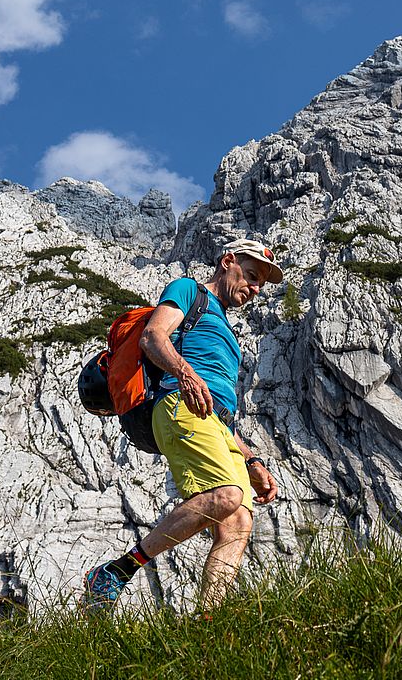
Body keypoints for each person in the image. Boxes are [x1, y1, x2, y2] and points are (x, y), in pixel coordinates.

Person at [83, 238, 283, 612]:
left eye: (260, 285)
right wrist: (185, 373)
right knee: (226, 496)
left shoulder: (226, 330)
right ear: (228, 262)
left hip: (215, 422)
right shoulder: (189, 290)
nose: (255, 289)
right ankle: (116, 571)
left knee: (238, 522)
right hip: (180, 403)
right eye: (251, 275)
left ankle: (207, 623)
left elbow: (221, 410)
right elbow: (153, 336)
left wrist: (252, 460)